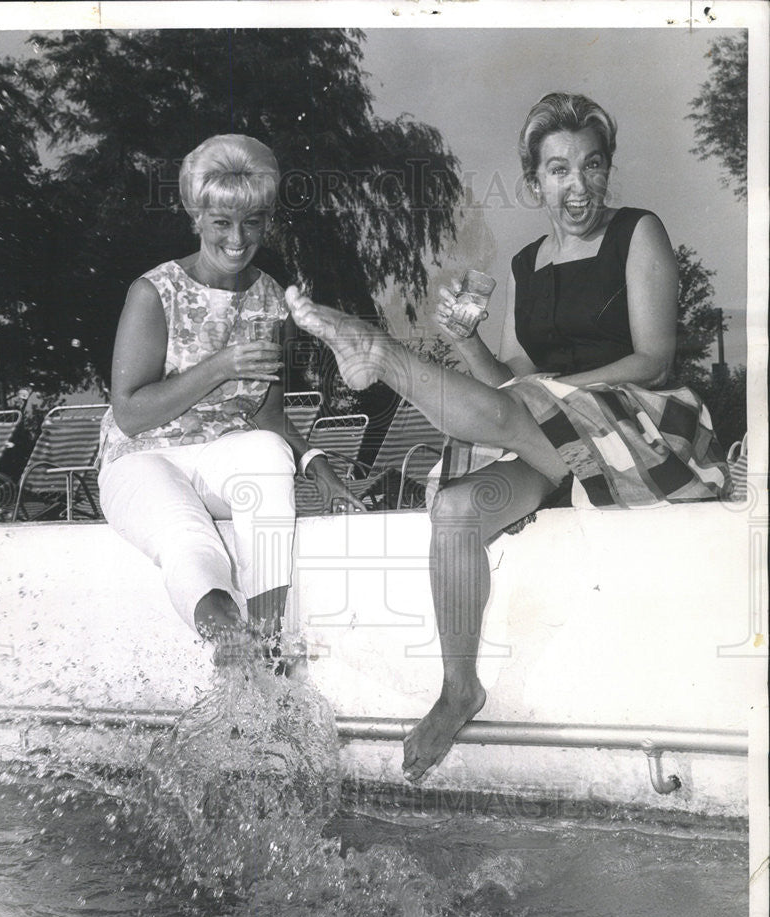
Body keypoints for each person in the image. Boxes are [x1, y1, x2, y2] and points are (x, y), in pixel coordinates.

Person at [284, 92, 731, 780]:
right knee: (455, 509)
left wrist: (548, 391)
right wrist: (463, 345)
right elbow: (508, 378)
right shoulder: (524, 264)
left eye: (589, 166)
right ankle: (458, 686)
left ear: (606, 170)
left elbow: (652, 357)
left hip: (640, 426)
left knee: (516, 406)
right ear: (534, 181)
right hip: (552, 435)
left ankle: (383, 357)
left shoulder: (638, 231)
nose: (575, 185)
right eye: (557, 170)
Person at [98, 134, 364, 666]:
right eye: (221, 222)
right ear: (196, 217)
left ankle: (265, 645)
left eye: (253, 222)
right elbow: (129, 413)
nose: (238, 239)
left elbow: (267, 414)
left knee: (267, 452)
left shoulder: (272, 297)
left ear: (268, 220)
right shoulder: (154, 292)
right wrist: (217, 368)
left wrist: (317, 464)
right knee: (187, 539)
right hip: (142, 456)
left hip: (221, 455)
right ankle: (235, 650)